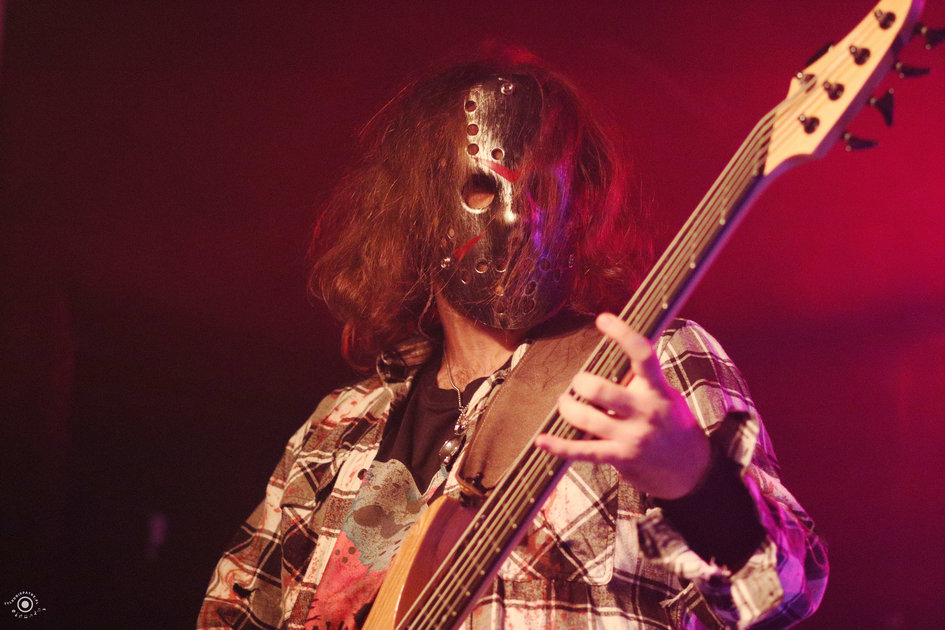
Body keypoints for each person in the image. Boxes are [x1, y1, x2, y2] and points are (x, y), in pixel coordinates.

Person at [198, 50, 828, 630]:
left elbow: (787, 590)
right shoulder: (339, 426)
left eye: (543, 191)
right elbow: (230, 614)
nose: (517, 215)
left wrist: (697, 482)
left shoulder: (642, 366)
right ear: (416, 208)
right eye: (482, 186)